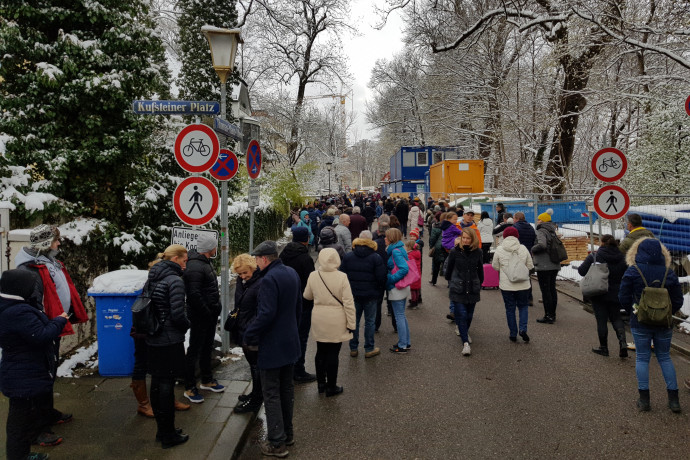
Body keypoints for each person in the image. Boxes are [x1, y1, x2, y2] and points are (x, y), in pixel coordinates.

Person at [15, 224, 89, 446]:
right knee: (41, 377)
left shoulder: (47, 262)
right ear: (45, 244)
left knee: (49, 373)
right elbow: (34, 305)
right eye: (55, 241)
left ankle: (47, 413)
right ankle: (38, 429)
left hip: (52, 328)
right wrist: (45, 329)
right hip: (43, 331)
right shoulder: (30, 269)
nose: (59, 245)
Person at [0, 269, 68, 460]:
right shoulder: (17, 311)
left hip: (20, 370)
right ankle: (19, 457)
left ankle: (22, 454)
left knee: (22, 418)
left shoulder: (9, 305)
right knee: (19, 421)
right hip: (22, 374)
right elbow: (41, 335)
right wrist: (59, 321)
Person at [243, 241, 301, 457]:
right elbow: (298, 308)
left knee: (271, 394)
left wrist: (249, 334)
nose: (256, 263)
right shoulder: (291, 273)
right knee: (286, 391)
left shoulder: (269, 279)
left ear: (264, 259)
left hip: (273, 346)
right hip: (290, 343)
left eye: (257, 259)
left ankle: (277, 443)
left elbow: (266, 314)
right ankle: (288, 434)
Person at [619, 238, 684, 412]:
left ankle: (644, 400)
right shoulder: (668, 273)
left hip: (640, 322)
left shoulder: (633, 271)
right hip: (664, 324)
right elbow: (678, 300)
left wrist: (635, 310)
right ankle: (674, 401)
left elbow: (623, 297)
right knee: (664, 357)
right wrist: (666, 313)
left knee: (642, 358)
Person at [146, 244, 191, 449]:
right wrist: (186, 325)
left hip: (153, 337)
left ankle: (162, 430)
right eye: (184, 260)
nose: (185, 263)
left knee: (156, 383)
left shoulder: (153, 276)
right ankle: (168, 435)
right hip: (170, 339)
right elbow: (178, 314)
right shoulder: (175, 281)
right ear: (175, 259)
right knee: (166, 386)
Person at [303, 248, 356, 396]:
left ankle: (321, 383)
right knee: (333, 353)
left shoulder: (314, 275)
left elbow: (307, 295)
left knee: (320, 351)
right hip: (337, 318)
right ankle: (331, 386)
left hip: (319, 317)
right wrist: (351, 324)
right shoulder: (342, 277)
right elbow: (349, 303)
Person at [182, 233, 224, 404]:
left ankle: (206, 380)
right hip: (201, 316)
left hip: (208, 315)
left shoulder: (202, 263)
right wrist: (207, 312)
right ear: (210, 248)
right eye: (215, 245)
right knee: (195, 350)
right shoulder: (196, 266)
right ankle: (189, 387)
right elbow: (193, 294)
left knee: (206, 347)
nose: (216, 248)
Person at [577, 235, 628, 357]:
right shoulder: (623, 257)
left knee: (601, 320)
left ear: (602, 243)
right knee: (616, 318)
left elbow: (581, 271)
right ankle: (623, 344)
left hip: (599, 292)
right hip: (616, 293)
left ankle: (604, 348)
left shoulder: (595, 256)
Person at [280, 226, 318, 384]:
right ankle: (299, 370)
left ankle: (286, 368)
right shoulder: (305, 258)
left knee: (286, 337)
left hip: (285, 303)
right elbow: (310, 282)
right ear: (307, 239)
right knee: (301, 338)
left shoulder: (283, 254)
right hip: (303, 304)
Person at [341, 231, 386, 358]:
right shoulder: (375, 257)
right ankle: (369, 348)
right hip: (371, 294)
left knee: (353, 321)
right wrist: (378, 290)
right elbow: (381, 277)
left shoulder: (349, 256)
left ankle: (353, 348)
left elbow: (342, 275)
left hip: (353, 294)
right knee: (370, 322)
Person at [230, 254, 264, 414]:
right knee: (253, 365)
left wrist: (251, 328)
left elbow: (261, 310)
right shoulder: (242, 282)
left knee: (257, 367)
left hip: (253, 331)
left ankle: (257, 399)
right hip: (243, 328)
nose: (243, 276)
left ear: (252, 268)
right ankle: (255, 393)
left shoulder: (260, 283)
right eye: (240, 274)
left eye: (245, 272)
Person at [445, 228, 484, 356]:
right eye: (464, 238)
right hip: (458, 288)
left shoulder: (478, 252)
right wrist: (452, 282)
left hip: (472, 287)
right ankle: (465, 342)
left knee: (469, 315)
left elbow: (480, 270)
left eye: (468, 238)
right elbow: (449, 270)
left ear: (473, 239)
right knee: (461, 314)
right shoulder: (454, 252)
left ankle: (464, 332)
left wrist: (479, 282)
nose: (466, 241)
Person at [492, 227, 534, 342]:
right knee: (523, 306)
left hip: (507, 285)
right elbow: (530, 265)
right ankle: (523, 329)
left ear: (504, 236)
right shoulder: (523, 248)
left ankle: (513, 333)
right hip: (523, 285)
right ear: (517, 236)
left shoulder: (500, 249)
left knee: (510, 309)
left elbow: (495, 266)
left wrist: (504, 269)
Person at [531, 212, 561, 324]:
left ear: (542, 221)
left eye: (539, 219)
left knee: (545, 291)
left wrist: (533, 249)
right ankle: (553, 314)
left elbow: (542, 245)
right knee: (552, 289)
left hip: (544, 265)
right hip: (554, 263)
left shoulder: (541, 231)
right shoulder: (552, 230)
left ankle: (548, 315)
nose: (537, 221)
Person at [385, 228, 412, 353]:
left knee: (399, 316)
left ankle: (402, 345)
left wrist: (391, 279)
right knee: (401, 315)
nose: (384, 239)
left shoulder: (395, 251)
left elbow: (404, 268)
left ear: (391, 238)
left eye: (386, 237)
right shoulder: (400, 248)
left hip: (397, 287)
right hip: (402, 286)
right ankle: (406, 342)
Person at [513, 212, 537, 305]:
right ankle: (529, 297)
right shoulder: (531, 227)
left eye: (514, 218)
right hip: (528, 254)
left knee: (517, 276)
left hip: (518, 254)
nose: (514, 220)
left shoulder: (515, 228)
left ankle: (519, 297)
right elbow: (533, 240)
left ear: (517, 219)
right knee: (527, 276)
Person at [429, 212, 448, 286]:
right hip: (447, 247)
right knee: (448, 264)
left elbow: (432, 238)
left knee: (436, 265)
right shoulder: (450, 227)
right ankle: (450, 283)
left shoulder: (436, 226)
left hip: (437, 248)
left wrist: (432, 246)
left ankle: (434, 281)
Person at [405, 239, 423, 309]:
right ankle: (416, 300)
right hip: (417, 273)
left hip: (412, 274)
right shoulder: (417, 252)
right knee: (416, 289)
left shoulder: (410, 255)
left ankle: (414, 302)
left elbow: (408, 263)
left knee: (413, 289)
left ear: (410, 247)